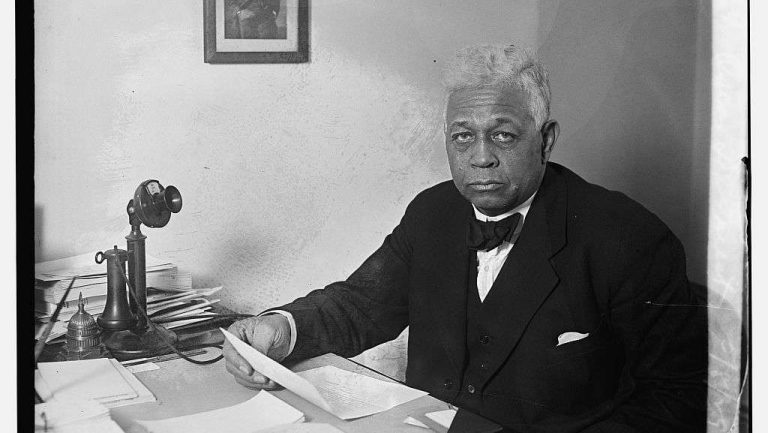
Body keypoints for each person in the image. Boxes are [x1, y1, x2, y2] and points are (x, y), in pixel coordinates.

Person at [223, 44, 708, 432]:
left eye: (502, 136)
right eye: (461, 136)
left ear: (546, 138)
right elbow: (360, 305)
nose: (479, 158)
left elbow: (677, 401)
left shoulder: (629, 237)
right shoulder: (432, 212)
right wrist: (279, 330)